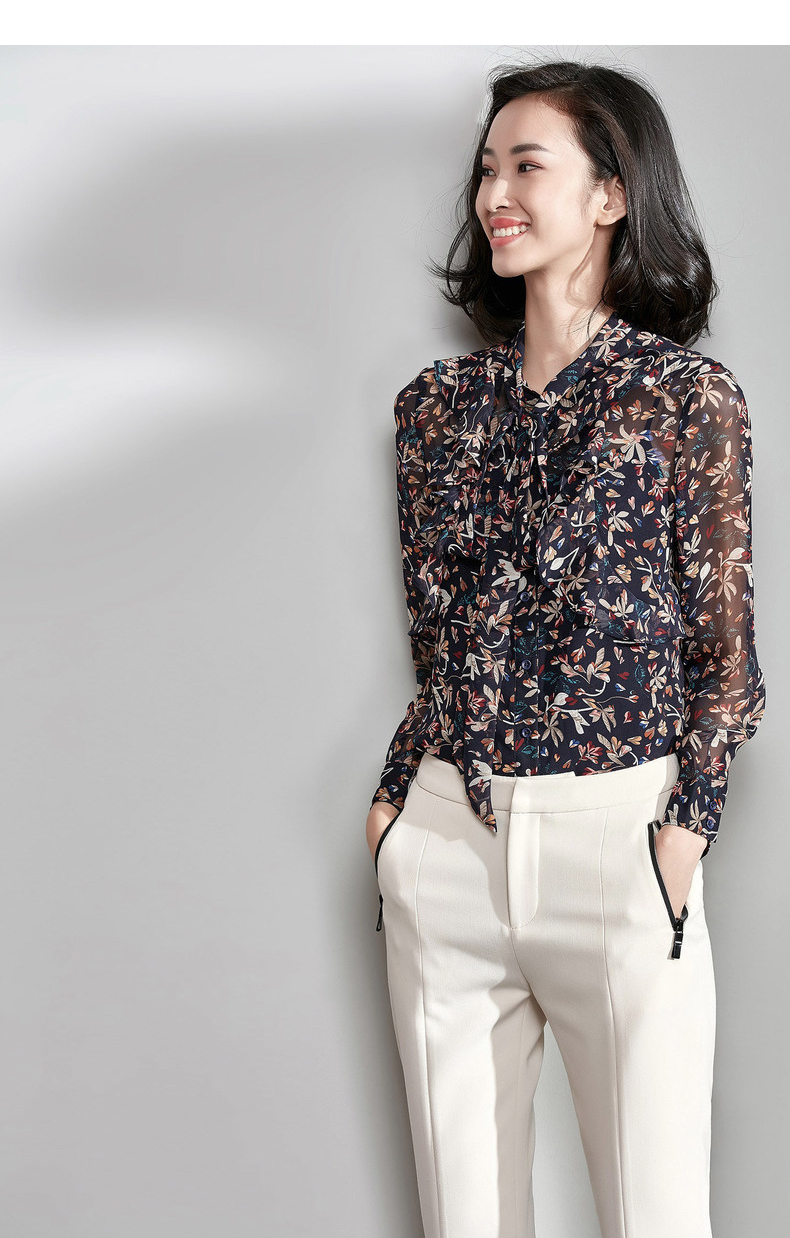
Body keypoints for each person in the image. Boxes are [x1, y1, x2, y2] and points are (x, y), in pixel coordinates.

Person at [365, 59, 766, 1238]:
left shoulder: (684, 399)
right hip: (448, 837)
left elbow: (723, 652)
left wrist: (683, 831)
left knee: (655, 1216)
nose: (494, 192)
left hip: (618, 838)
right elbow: (438, 640)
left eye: (525, 165)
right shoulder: (433, 408)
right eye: (485, 169)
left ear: (609, 193)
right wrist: (395, 807)